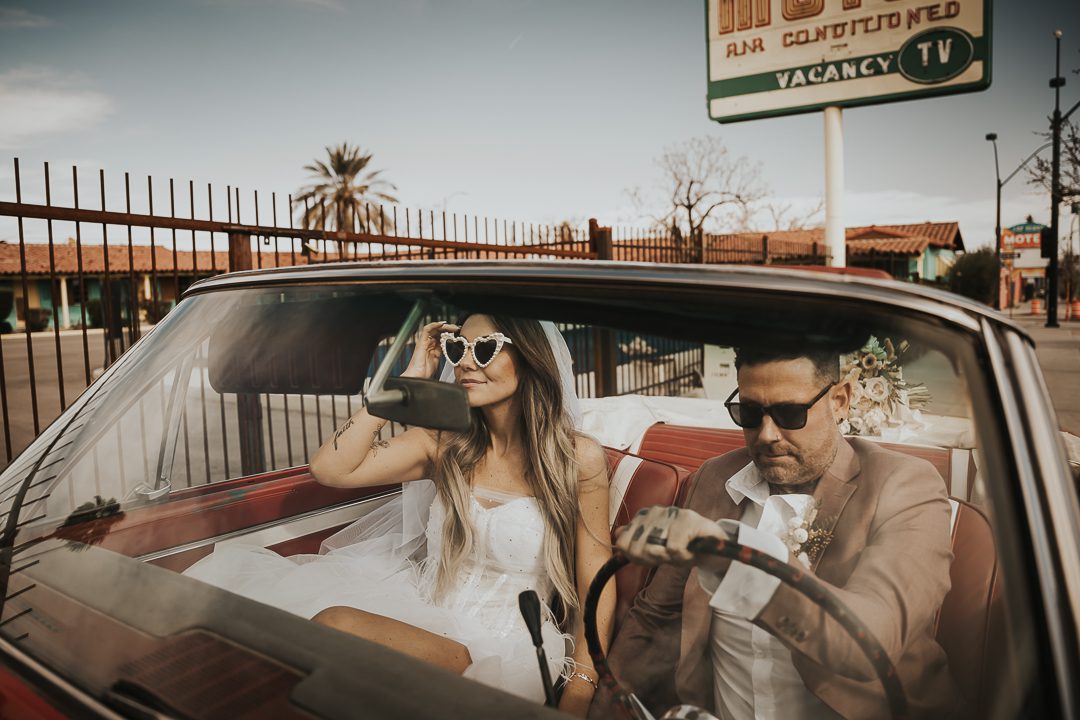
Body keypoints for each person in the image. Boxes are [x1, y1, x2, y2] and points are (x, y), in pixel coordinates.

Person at [185, 314, 614, 716]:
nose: (465, 362)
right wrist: (405, 385)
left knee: (334, 628)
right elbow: (331, 469)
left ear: (531, 358)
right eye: (456, 347)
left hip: (506, 646)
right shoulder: (443, 443)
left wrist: (581, 683)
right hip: (421, 608)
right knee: (297, 648)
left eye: (484, 348)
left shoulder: (576, 458)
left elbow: (596, 574)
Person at [594, 344, 959, 720]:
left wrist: (725, 553)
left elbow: (868, 645)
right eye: (750, 413)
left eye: (790, 413)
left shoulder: (904, 486)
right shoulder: (713, 479)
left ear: (839, 401)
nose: (767, 434)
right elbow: (655, 619)